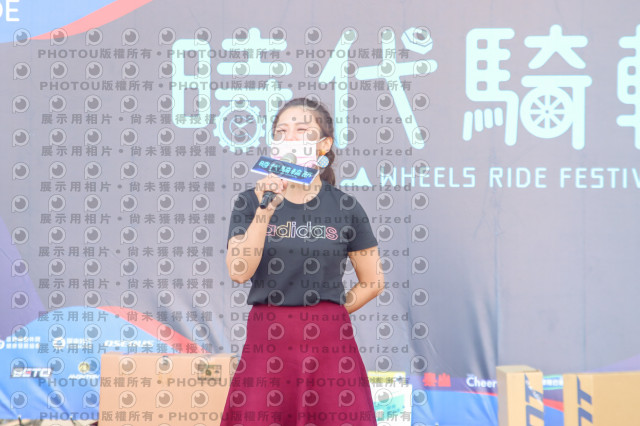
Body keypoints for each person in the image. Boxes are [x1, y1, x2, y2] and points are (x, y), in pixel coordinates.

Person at [220, 97, 384, 426]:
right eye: (281, 132)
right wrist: (265, 210)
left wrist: (330, 312)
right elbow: (238, 272)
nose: (290, 138)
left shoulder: (346, 207)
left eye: (302, 130)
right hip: (268, 340)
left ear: (324, 145)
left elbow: (373, 281)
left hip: (330, 345)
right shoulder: (250, 202)